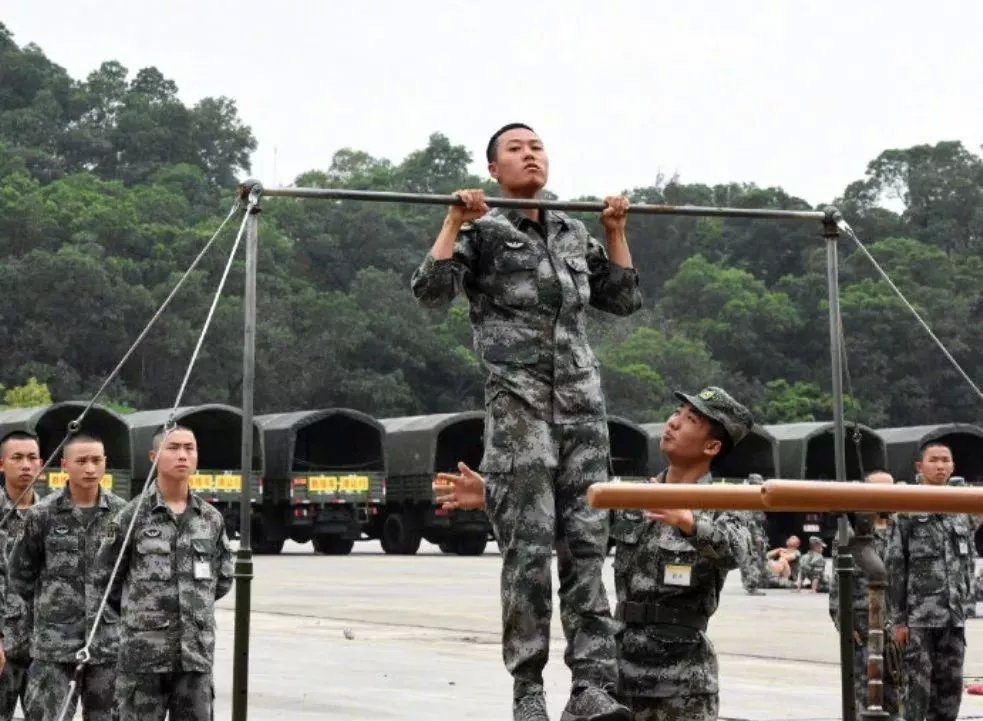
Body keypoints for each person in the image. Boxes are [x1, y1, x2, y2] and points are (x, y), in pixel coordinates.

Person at [411, 122, 643, 721]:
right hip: (520, 416)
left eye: (537, 146)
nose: (530, 154)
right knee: (529, 554)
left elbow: (621, 297)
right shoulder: (484, 232)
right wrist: (453, 222)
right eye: (515, 149)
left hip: (583, 414)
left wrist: (616, 232)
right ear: (494, 170)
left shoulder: (571, 230)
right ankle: (529, 688)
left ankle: (593, 685)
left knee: (588, 551)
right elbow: (431, 291)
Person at [436, 386, 754, 721]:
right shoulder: (630, 497)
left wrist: (687, 520)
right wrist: (492, 494)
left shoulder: (724, 503)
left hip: (681, 681)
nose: (673, 422)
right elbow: (565, 521)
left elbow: (736, 551)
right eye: (677, 412)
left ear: (712, 446)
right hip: (616, 671)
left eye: (690, 420)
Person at [96, 425, 234, 721]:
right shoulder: (130, 516)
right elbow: (106, 579)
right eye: (173, 448)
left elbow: (221, 580)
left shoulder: (210, 519)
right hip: (143, 660)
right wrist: (143, 619)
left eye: (189, 448)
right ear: (153, 456)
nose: (182, 455)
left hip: (194, 658)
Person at [8, 433, 127, 721]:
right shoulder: (42, 515)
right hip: (53, 650)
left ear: (105, 464)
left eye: (96, 461)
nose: (90, 469)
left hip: (108, 648)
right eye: (82, 461)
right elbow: (20, 576)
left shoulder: (123, 514)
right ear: (64, 465)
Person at [887, 442, 975, 721]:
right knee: (916, 692)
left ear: (953, 466)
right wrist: (898, 620)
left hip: (954, 617)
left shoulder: (962, 508)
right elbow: (895, 565)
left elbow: (968, 561)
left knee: (950, 689)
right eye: (934, 460)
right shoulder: (908, 509)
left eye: (946, 460)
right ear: (919, 467)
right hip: (919, 620)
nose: (940, 466)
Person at [828, 470, 903, 721]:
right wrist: (845, 622)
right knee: (867, 696)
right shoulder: (850, 534)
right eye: (877, 489)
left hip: (898, 627)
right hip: (864, 627)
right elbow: (838, 588)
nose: (884, 495)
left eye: (889, 489)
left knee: (897, 697)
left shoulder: (900, 527)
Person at [0, 431, 43, 721]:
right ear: (2, 464)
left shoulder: (55, 515)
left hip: (46, 650)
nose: (26, 465)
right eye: (17, 458)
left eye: (32, 458)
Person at [738, 474, 769, 596]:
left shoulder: (750, 497)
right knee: (752, 558)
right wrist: (757, 536)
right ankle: (752, 586)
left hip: (748, 533)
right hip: (750, 534)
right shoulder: (750, 499)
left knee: (750, 559)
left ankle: (751, 583)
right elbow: (751, 521)